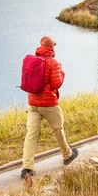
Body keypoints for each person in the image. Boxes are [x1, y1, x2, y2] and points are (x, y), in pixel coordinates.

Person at [21, 36, 78, 178]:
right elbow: (56, 84)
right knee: (58, 129)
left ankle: (27, 168)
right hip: (48, 104)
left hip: (33, 103)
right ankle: (67, 155)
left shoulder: (33, 60)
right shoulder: (53, 63)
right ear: (52, 47)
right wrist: (62, 73)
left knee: (31, 135)